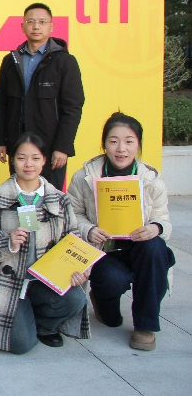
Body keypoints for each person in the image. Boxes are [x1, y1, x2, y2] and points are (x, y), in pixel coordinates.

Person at [0, 132, 90, 354]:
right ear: (12, 160)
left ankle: (44, 326)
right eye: (21, 158)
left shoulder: (59, 199)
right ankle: (25, 318)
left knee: (75, 299)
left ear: (44, 160)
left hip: (46, 280)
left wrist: (79, 270)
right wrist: (7, 242)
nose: (28, 164)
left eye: (35, 158)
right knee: (20, 344)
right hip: (10, 281)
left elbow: (73, 239)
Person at [68, 112, 175, 351]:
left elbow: (164, 222)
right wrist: (89, 229)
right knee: (111, 304)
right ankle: (103, 300)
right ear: (104, 144)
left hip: (140, 249)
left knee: (156, 248)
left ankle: (145, 326)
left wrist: (155, 228)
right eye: (114, 141)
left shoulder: (152, 180)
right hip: (104, 250)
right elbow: (72, 215)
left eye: (129, 141)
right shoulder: (85, 177)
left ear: (138, 145)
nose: (121, 149)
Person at [0, 2, 84, 189]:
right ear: (22, 26)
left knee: (50, 197)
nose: (36, 26)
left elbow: (72, 107)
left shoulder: (65, 61)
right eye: (31, 21)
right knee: (20, 195)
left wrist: (62, 147)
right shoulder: (10, 61)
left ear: (51, 26)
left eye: (42, 22)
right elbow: (1, 104)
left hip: (51, 147)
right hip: (18, 144)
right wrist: (0, 141)